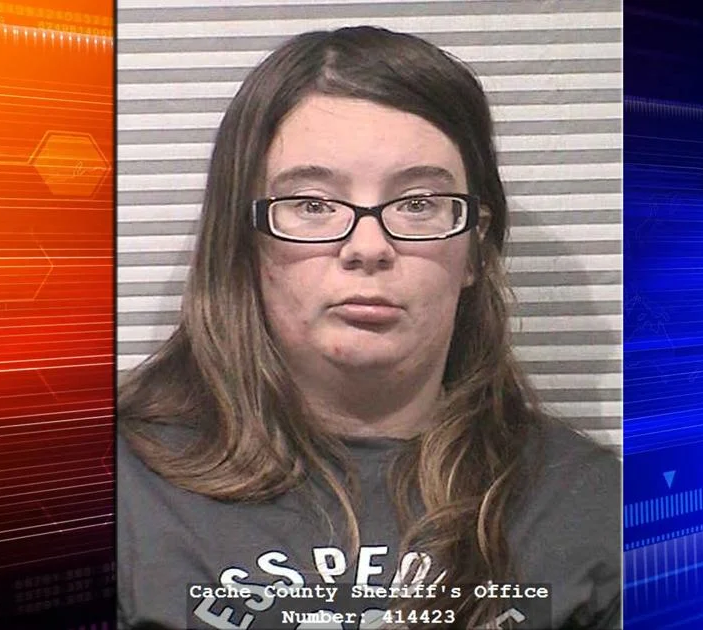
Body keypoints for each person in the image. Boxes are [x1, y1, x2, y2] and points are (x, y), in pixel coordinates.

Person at [117, 26, 621, 630]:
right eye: (312, 203)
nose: (368, 246)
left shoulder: (598, 507)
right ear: (243, 240)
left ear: (476, 247)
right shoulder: (105, 492)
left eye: (417, 203)